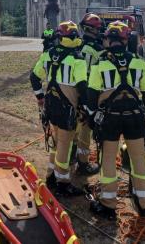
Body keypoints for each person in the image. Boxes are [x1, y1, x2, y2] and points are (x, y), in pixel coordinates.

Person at [83, 21, 145, 218]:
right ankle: (144, 203)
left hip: (110, 119)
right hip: (135, 117)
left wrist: (91, 116)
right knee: (139, 159)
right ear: (126, 40)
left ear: (109, 40)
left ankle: (108, 203)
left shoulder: (100, 64)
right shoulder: (140, 62)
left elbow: (91, 96)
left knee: (108, 160)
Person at [30, 20, 87, 197]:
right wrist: (85, 108)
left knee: (56, 141)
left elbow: (34, 77)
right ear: (75, 36)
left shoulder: (48, 54)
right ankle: (63, 183)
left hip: (51, 104)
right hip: (68, 107)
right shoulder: (78, 59)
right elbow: (82, 87)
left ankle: (51, 176)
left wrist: (40, 97)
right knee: (64, 144)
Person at [74, 13, 103, 176]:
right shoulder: (98, 50)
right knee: (85, 129)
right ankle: (83, 164)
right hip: (90, 93)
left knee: (73, 127)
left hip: (73, 91)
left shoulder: (76, 45)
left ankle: (70, 157)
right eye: (98, 28)